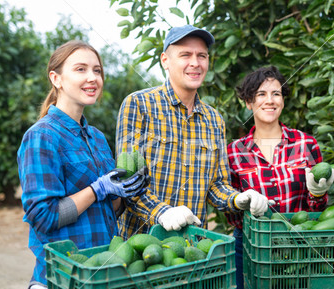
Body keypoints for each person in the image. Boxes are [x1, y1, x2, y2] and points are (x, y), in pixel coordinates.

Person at [17, 40, 148, 289]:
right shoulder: (41, 136)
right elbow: (43, 217)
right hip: (62, 280)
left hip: (102, 275)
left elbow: (104, 213)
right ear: (56, 79)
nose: (92, 78)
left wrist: (126, 191)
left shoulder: (97, 137)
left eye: (97, 70)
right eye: (80, 69)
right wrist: (97, 189)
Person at [116, 25, 271, 239]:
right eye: (185, 55)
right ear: (165, 60)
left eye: (202, 56)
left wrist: (238, 199)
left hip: (193, 249)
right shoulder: (139, 104)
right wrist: (163, 213)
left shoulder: (214, 120)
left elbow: (217, 185)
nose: (195, 63)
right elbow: (128, 180)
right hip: (141, 247)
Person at [226, 66, 334, 289]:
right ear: (248, 102)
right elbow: (232, 214)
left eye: (276, 93)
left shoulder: (306, 143)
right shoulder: (234, 152)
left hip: (298, 248)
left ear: (283, 101)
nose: (270, 100)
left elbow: (316, 212)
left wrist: (317, 193)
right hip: (250, 247)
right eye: (261, 94)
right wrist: (242, 204)